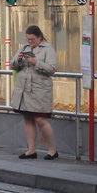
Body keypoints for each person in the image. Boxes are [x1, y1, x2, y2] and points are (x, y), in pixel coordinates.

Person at [10, 24, 60, 160]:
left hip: (39, 90)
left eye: (32, 39)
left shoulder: (48, 49)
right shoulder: (24, 47)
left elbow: (52, 68)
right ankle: (31, 150)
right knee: (28, 118)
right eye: (28, 39)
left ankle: (52, 150)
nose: (30, 42)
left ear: (39, 37)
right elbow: (12, 65)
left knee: (40, 119)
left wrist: (35, 62)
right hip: (24, 90)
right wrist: (19, 60)